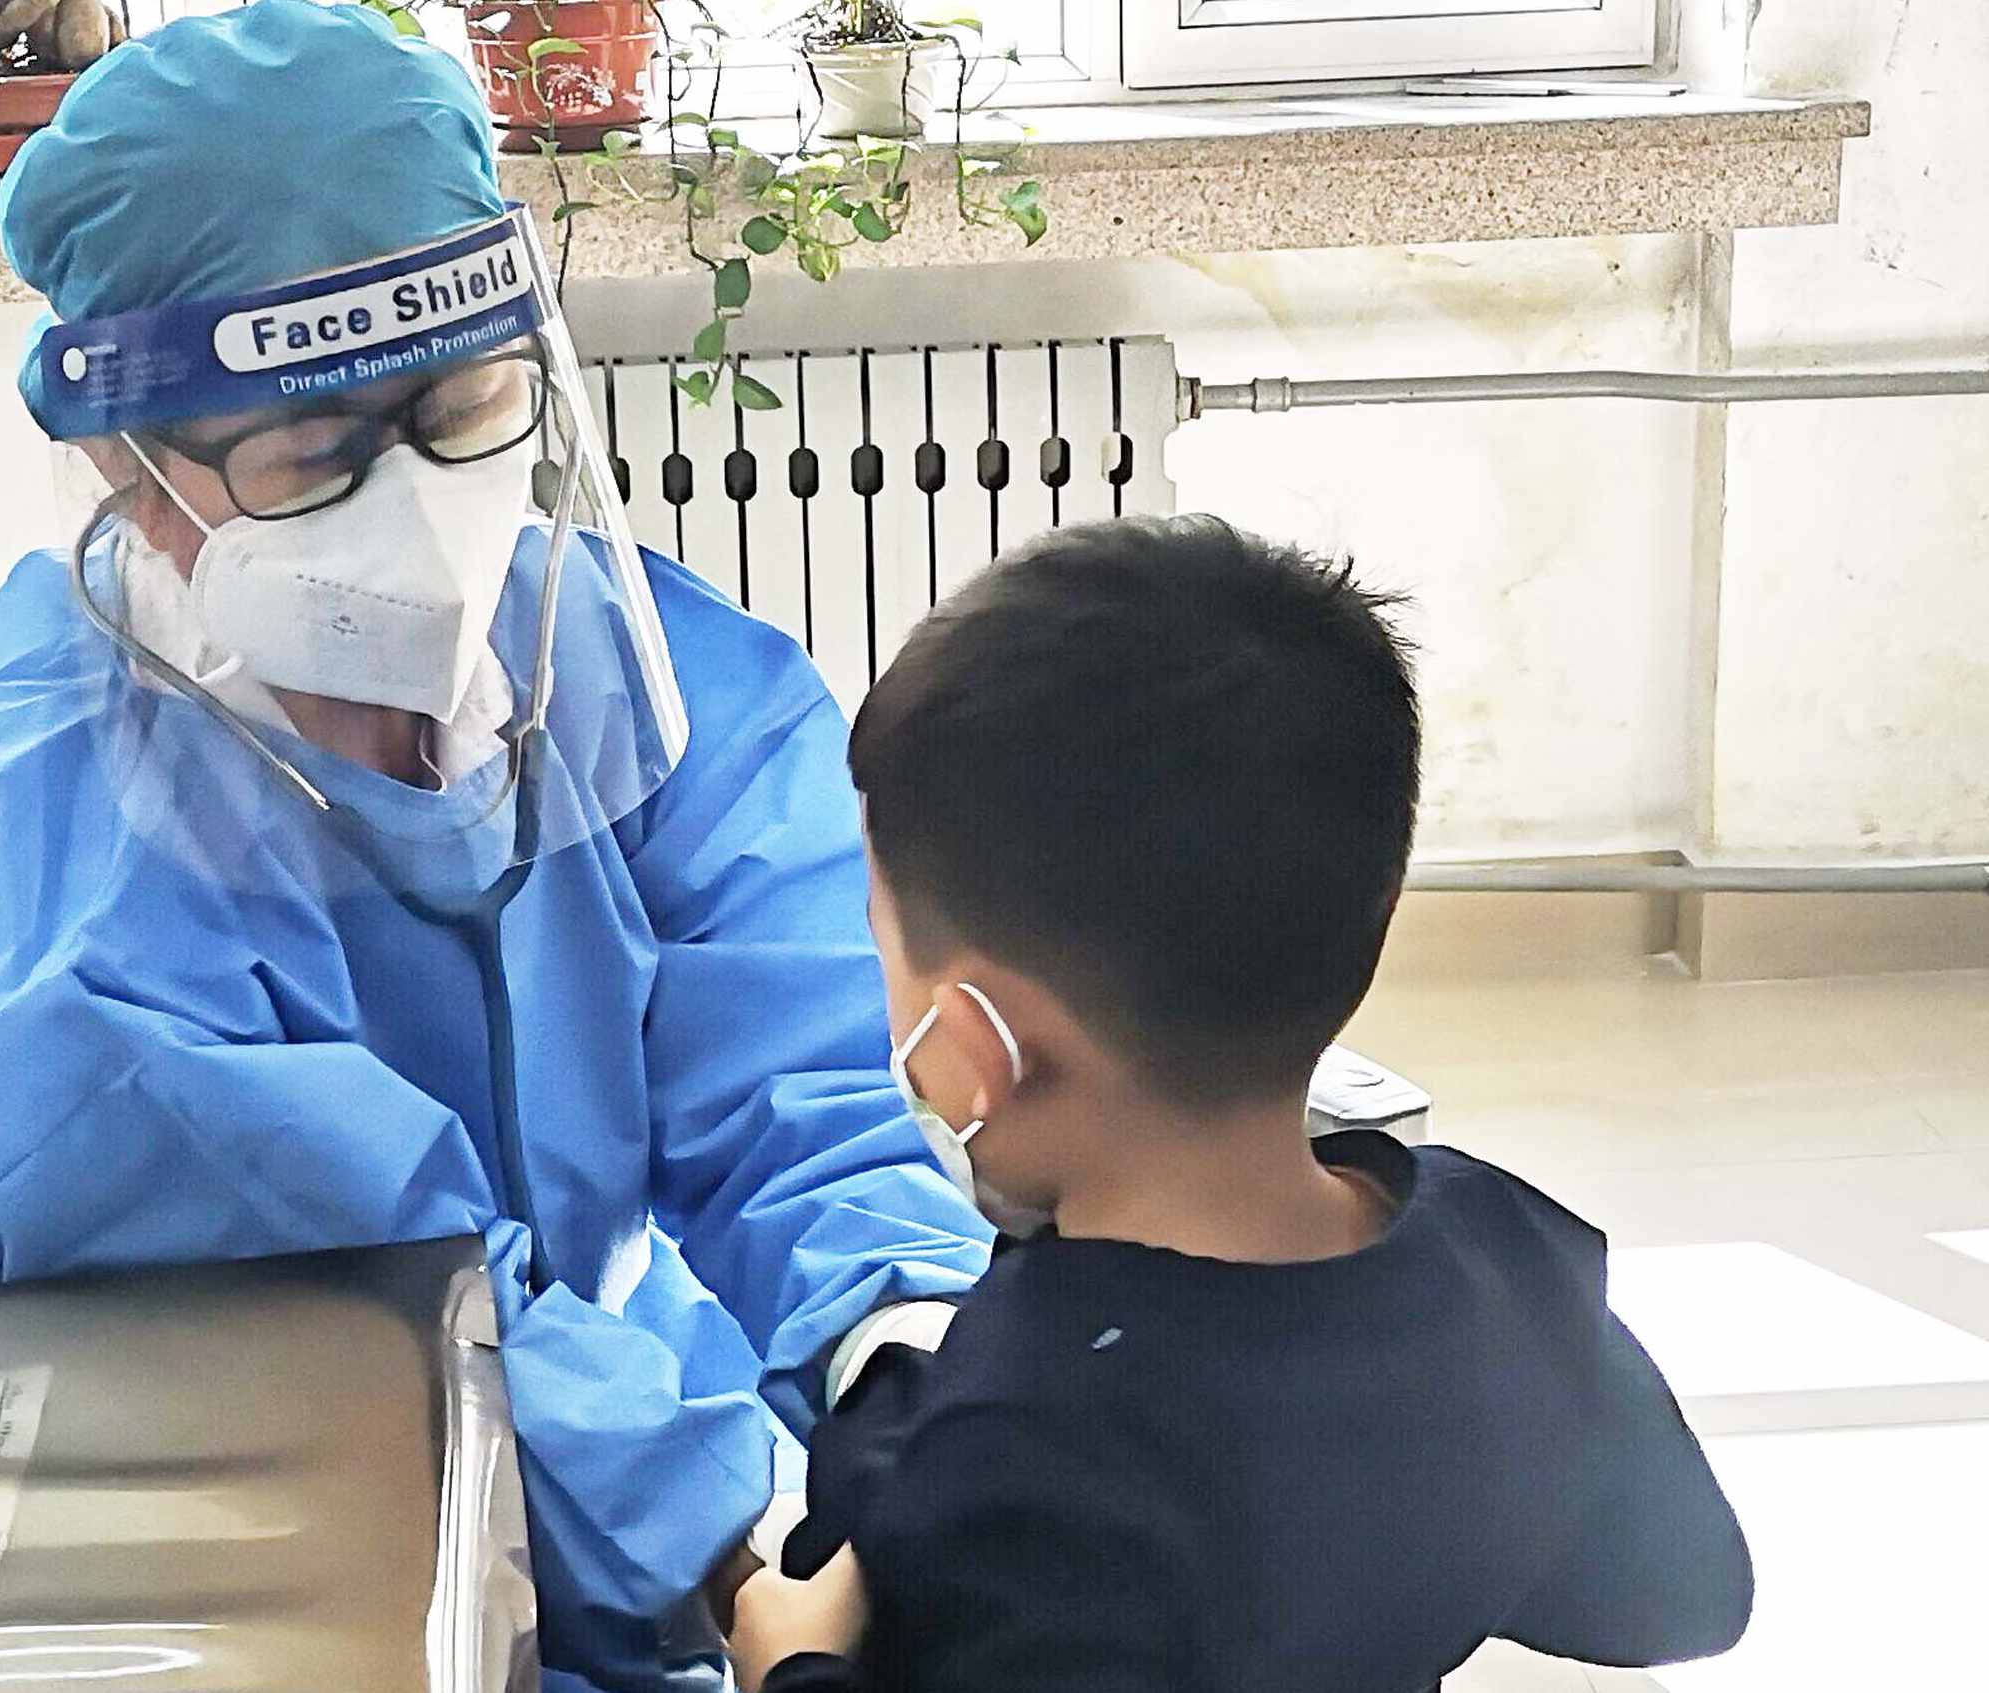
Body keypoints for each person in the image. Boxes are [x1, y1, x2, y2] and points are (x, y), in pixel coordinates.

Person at [0, 5, 989, 1689]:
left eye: (462, 407)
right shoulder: (53, 895)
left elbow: (800, 1075)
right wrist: (736, 1547)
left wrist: (903, 1363)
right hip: (233, 1530)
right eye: (313, 453)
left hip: (588, 1435)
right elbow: (393, 1309)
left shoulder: (623, 671)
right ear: (125, 464)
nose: (414, 504)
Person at [727, 517, 1753, 1692]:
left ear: (980, 1047)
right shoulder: (1504, 1254)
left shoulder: (1015, 1468)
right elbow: (1687, 1592)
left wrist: (792, 1664)